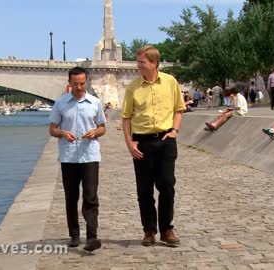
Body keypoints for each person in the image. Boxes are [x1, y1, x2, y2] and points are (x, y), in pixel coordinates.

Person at [121, 45, 186, 247]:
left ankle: (167, 229)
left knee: (167, 185)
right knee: (144, 189)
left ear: (154, 63)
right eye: (138, 62)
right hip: (142, 142)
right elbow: (126, 117)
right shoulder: (133, 87)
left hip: (166, 140)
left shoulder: (170, 82)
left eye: (142, 62)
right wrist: (129, 142)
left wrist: (174, 130)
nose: (138, 65)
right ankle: (149, 230)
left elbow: (179, 109)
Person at [49, 66, 106, 252]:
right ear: (69, 83)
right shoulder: (61, 103)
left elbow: (102, 128)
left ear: (86, 81)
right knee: (71, 197)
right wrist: (63, 133)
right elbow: (52, 129)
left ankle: (92, 237)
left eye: (82, 83)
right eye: (76, 84)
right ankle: (74, 234)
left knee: (91, 197)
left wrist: (96, 131)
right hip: (69, 157)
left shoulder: (95, 103)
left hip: (90, 156)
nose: (80, 87)